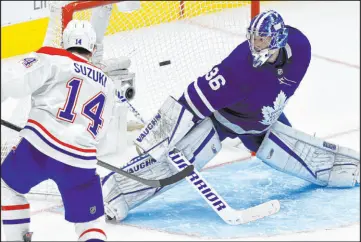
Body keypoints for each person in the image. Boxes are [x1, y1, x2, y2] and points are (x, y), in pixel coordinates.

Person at [102, 10, 359, 222]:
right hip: (222, 123)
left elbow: (276, 91)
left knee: (308, 156)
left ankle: (351, 168)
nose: (255, 44)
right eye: (254, 38)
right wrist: (157, 139)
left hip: (264, 123)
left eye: (262, 39)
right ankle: (114, 193)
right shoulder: (237, 68)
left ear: (278, 39)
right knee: (177, 165)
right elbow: (191, 100)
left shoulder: (301, 47)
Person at [0, 19, 132, 241]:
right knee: (90, 224)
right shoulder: (108, 84)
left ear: (64, 42)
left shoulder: (53, 57)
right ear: (93, 48)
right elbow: (103, 132)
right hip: (81, 162)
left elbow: (13, 81)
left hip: (38, 150)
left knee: (8, 185)